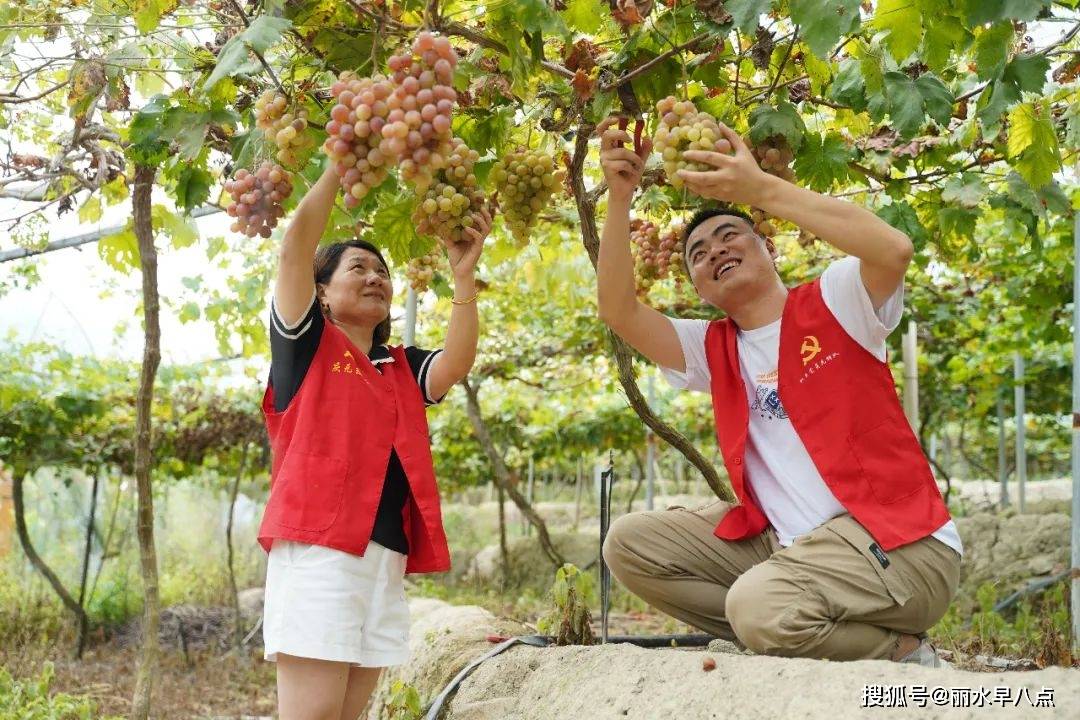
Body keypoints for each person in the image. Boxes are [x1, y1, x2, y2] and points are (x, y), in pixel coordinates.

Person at [594, 116, 962, 666]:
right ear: (696, 286)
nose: (714, 251)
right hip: (793, 551)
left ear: (767, 247)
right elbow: (618, 311)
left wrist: (758, 188)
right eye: (697, 253)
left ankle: (899, 652)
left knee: (758, 606)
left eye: (729, 236)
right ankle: (790, 625)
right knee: (628, 544)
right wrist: (619, 199)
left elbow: (894, 249)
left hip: (900, 545)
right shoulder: (712, 349)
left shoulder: (836, 302)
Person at [258, 164, 491, 720]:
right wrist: (342, 163)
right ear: (322, 291)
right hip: (321, 551)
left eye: (382, 271)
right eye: (356, 267)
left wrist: (463, 280)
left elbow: (455, 363)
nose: (375, 277)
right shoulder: (306, 347)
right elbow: (294, 250)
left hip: (384, 555)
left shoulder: (399, 367)